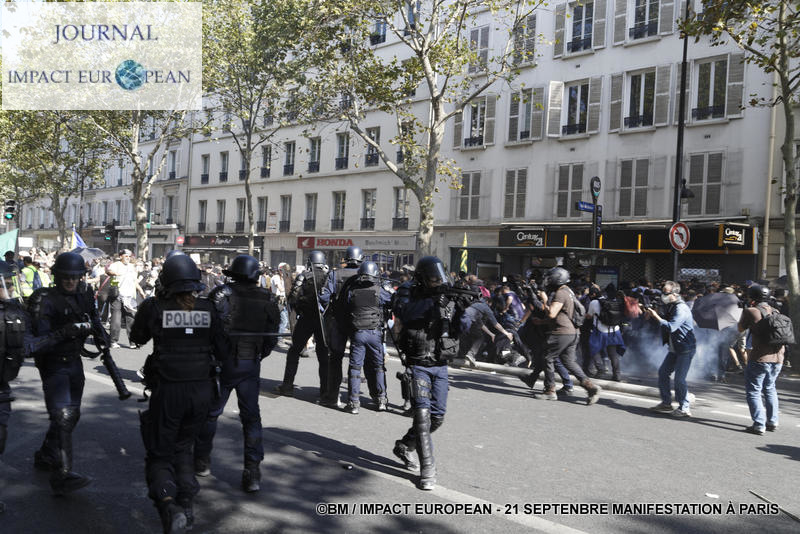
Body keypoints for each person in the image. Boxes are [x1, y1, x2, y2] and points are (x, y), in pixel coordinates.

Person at [130, 254, 227, 533]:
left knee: (160, 453)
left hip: (169, 390)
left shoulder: (155, 307)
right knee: (184, 447)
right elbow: (222, 351)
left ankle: (169, 504)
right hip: (202, 390)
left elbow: (136, 337)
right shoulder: (209, 309)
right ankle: (186, 504)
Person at [194, 255, 279, 492]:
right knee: (251, 418)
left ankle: (201, 460)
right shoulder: (268, 297)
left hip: (222, 363)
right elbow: (272, 336)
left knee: (211, 414)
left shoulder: (221, 294)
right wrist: (258, 355)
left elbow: (206, 327)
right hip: (250, 363)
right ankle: (252, 473)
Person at [29, 252, 109, 494]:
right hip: (53, 364)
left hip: (74, 361)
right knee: (64, 414)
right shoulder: (44, 299)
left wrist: (100, 336)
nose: (71, 282)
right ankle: (62, 474)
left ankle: (46, 453)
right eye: (66, 277)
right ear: (57, 277)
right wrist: (64, 333)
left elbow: (94, 319)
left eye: (75, 277)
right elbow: (35, 343)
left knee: (71, 415)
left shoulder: (84, 294)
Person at [391, 256, 460, 491]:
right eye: (431, 279)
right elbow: (404, 313)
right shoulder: (408, 290)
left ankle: (405, 445)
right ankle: (428, 468)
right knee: (422, 416)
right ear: (421, 277)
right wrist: (432, 301)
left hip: (439, 362)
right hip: (418, 362)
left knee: (437, 417)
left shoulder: (444, 292)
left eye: (438, 278)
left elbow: (462, 324)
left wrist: (460, 304)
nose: (436, 282)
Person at [531, 267, 601, 404]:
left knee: (547, 358)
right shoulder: (568, 291)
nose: (547, 281)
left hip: (561, 332)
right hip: (573, 332)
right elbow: (563, 314)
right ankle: (591, 387)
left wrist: (544, 300)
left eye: (550, 278)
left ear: (557, 279)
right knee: (569, 361)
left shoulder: (560, 293)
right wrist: (542, 322)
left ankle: (550, 390)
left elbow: (552, 313)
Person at [273, 250, 330, 398]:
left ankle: (287, 386)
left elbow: (293, 297)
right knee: (323, 356)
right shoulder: (329, 276)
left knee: (294, 352)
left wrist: (298, 306)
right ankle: (325, 391)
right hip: (323, 320)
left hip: (306, 318)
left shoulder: (304, 276)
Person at [341, 261, 392, 414]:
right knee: (378, 367)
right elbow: (391, 301)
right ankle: (381, 399)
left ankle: (354, 402)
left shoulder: (352, 290)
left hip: (358, 333)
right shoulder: (379, 290)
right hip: (374, 333)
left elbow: (346, 306)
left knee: (355, 368)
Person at [0, 261, 30, 512]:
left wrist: (63, 335)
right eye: (5, 283)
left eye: (10, 283)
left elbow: (29, 344)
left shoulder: (15, 312)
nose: (8, 287)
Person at [319, 245, 363, 407]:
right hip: (360, 322)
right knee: (356, 361)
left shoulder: (335, 273)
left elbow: (324, 297)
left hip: (338, 320)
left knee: (335, 359)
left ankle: (332, 396)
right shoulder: (367, 274)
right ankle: (356, 398)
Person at [738, 284, 784, 434]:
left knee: (754, 391)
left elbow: (740, 329)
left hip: (759, 357)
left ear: (752, 297)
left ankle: (759, 424)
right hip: (778, 357)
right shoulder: (776, 310)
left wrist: (744, 310)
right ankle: (773, 421)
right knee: (770, 388)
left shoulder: (751, 311)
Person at [646, 280, 696, 418]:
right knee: (663, 372)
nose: (663, 295)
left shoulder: (681, 309)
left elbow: (671, 326)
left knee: (680, 379)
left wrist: (656, 317)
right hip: (675, 347)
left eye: (666, 292)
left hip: (685, 349)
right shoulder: (671, 306)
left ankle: (684, 408)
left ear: (674, 294)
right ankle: (666, 403)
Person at [106, 249, 145, 348]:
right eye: (126, 256)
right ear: (120, 256)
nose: (128, 258)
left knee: (131, 319)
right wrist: (114, 273)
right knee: (116, 319)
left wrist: (140, 291)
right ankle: (113, 341)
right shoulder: (116, 264)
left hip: (130, 296)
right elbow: (108, 271)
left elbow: (135, 281)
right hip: (117, 296)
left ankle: (133, 342)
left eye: (129, 256)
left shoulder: (132, 267)